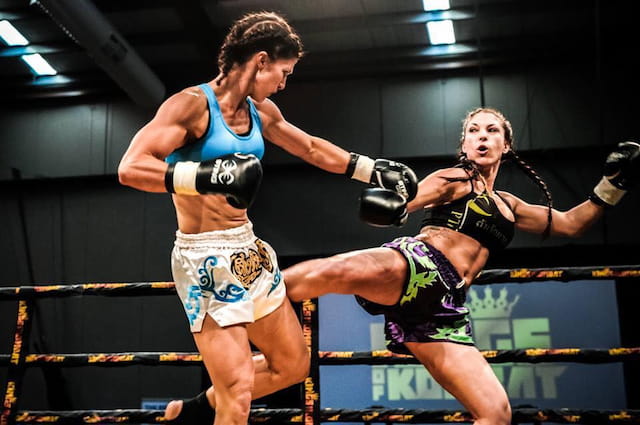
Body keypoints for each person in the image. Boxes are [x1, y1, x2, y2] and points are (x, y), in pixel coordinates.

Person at [117, 10, 417, 425]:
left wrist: (369, 169)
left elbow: (310, 147)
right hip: (204, 259)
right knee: (238, 389)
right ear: (261, 61)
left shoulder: (261, 111)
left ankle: (196, 412)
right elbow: (130, 167)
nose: (283, 82)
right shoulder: (190, 105)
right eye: (283, 71)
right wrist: (205, 175)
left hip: (248, 248)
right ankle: (220, 404)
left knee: (292, 365)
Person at [283, 107, 640, 425]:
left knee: (496, 413)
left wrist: (612, 185)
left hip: (445, 308)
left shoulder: (510, 206)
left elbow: (571, 223)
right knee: (329, 273)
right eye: (474, 130)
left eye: (492, 130)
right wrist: (391, 208)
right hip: (420, 265)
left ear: (506, 146)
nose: (482, 136)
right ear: (464, 144)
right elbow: (407, 202)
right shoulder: (452, 179)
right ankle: (253, 298)